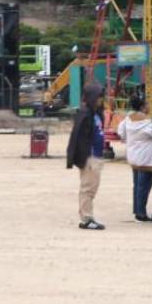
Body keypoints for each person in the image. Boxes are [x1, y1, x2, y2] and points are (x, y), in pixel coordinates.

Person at [66, 84, 108, 230]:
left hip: (97, 155)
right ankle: (87, 218)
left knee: (92, 187)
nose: (101, 100)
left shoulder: (96, 113)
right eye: (99, 97)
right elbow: (76, 137)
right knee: (88, 188)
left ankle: (87, 216)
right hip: (89, 157)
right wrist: (78, 158)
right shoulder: (85, 114)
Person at [117, 94, 152, 222]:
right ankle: (141, 213)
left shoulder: (127, 119)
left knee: (137, 185)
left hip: (133, 156)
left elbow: (121, 133)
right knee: (144, 186)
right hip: (147, 158)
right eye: (147, 105)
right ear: (143, 107)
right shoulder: (148, 123)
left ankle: (137, 210)